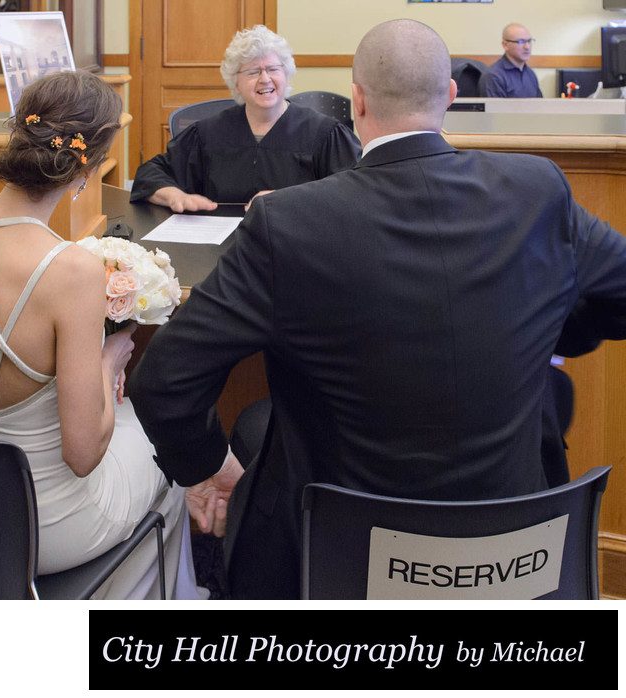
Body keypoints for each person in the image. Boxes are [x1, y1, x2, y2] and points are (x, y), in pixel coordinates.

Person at [129, 19, 626, 600]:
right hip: (517, 541)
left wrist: (211, 471)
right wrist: (552, 331)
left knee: (259, 428)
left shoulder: (287, 225)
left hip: (341, 555)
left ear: (356, 104)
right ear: (450, 96)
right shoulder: (539, 190)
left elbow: (163, 380)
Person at [0, 71, 206, 600]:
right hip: (45, 523)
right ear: (86, 169)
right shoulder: (69, 270)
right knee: (172, 453)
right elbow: (82, 453)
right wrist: (110, 360)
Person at [129, 24, 362, 213]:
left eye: (273, 69)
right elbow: (151, 174)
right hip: (223, 249)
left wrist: (293, 199)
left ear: (287, 73)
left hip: (298, 248)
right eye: (252, 72)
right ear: (236, 83)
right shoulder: (209, 134)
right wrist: (175, 196)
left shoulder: (324, 134)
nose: (265, 79)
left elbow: (354, 191)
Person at [479, 23, 543, 98]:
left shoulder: (530, 74)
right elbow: (495, 109)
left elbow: (540, 106)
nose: (527, 47)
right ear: (505, 45)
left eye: (529, 41)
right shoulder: (493, 76)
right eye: (520, 42)